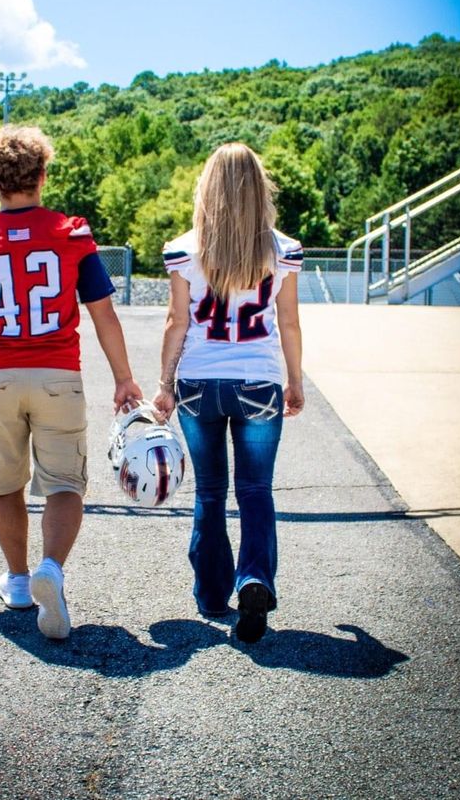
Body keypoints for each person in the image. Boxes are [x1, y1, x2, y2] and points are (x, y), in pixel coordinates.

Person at [0, 124, 142, 640]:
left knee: (5, 484)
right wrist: (123, 377)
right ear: (43, 174)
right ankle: (50, 569)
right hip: (58, 374)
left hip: (1, 376)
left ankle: (16, 579)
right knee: (65, 483)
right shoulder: (72, 233)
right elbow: (103, 315)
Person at [153, 142, 304, 643]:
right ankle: (255, 578)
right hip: (260, 381)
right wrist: (296, 380)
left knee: (211, 491)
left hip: (199, 382)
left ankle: (213, 593)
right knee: (256, 491)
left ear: (207, 188)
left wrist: (164, 385)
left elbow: (177, 322)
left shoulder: (184, 248)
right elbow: (289, 323)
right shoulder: (283, 250)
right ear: (260, 189)